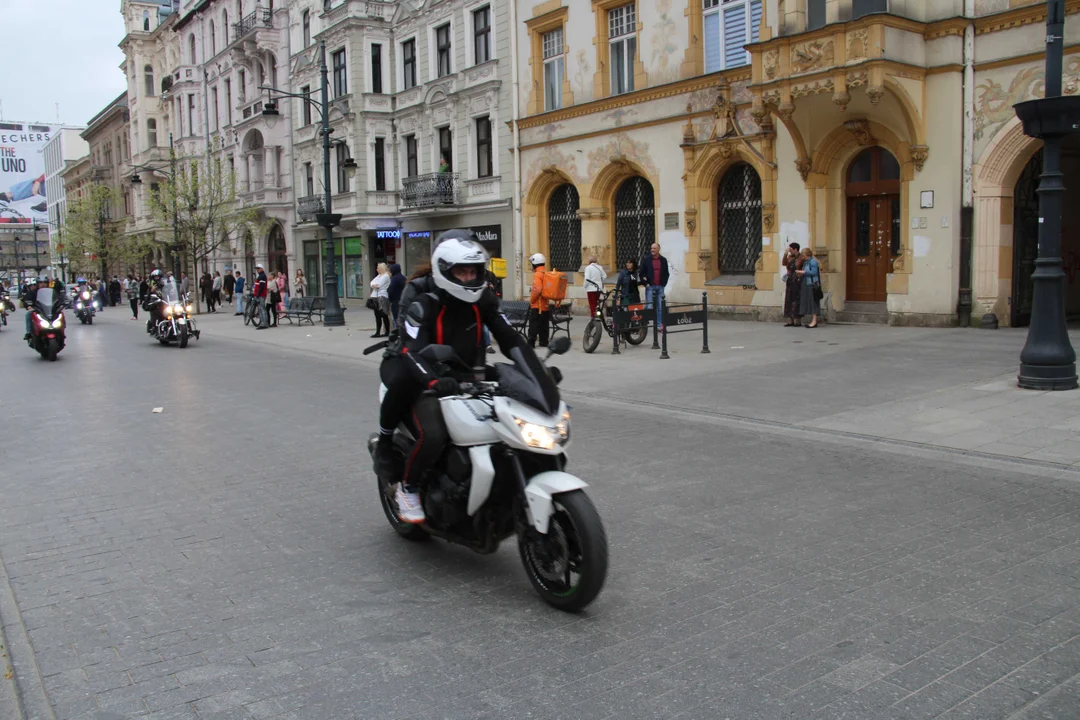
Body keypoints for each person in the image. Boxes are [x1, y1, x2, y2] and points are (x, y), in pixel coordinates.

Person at [374, 230, 537, 523]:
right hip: (421, 372)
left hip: (464, 372)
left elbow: (510, 338)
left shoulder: (484, 299)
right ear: (445, 266)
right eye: (461, 272)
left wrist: (536, 373)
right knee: (432, 432)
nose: (467, 278)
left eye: (473, 271)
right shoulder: (422, 297)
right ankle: (407, 487)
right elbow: (410, 348)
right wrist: (434, 381)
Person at [527, 253, 550, 348]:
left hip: (537, 305)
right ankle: (544, 341)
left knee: (534, 324)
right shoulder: (546, 273)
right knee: (544, 325)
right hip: (545, 305)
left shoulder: (537, 274)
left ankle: (531, 343)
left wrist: (532, 300)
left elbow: (537, 289)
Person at [795, 247, 821, 329]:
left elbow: (814, 272)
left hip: (812, 284)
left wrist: (802, 272)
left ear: (807, 255)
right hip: (807, 283)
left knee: (813, 302)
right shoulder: (806, 262)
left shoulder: (813, 262)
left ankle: (814, 321)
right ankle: (813, 321)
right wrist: (801, 274)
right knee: (809, 302)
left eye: (804, 256)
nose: (803, 257)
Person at [782, 242, 803, 327]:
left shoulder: (801, 257)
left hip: (797, 280)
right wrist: (785, 254)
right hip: (790, 280)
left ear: (795, 249)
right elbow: (784, 263)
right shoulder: (790, 257)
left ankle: (798, 320)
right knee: (789, 299)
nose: (790, 251)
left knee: (797, 299)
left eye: (791, 249)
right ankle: (790, 320)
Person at [369, 263, 391, 338]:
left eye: (378, 268)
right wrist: (374, 285)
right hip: (375, 297)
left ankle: (387, 331)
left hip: (382, 297)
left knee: (384, 314)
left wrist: (375, 285)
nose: (377, 269)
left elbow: (379, 285)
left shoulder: (385, 276)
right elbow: (371, 282)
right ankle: (377, 332)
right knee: (377, 315)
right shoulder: (379, 276)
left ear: (382, 268)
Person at [252, 264, 269, 329]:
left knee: (262, 309)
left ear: (262, 269)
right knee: (261, 309)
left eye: (258, 268)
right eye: (257, 269)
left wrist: (258, 294)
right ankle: (263, 323)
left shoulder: (262, 276)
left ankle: (264, 323)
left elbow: (262, 287)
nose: (257, 270)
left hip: (261, 295)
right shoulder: (260, 276)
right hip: (260, 295)